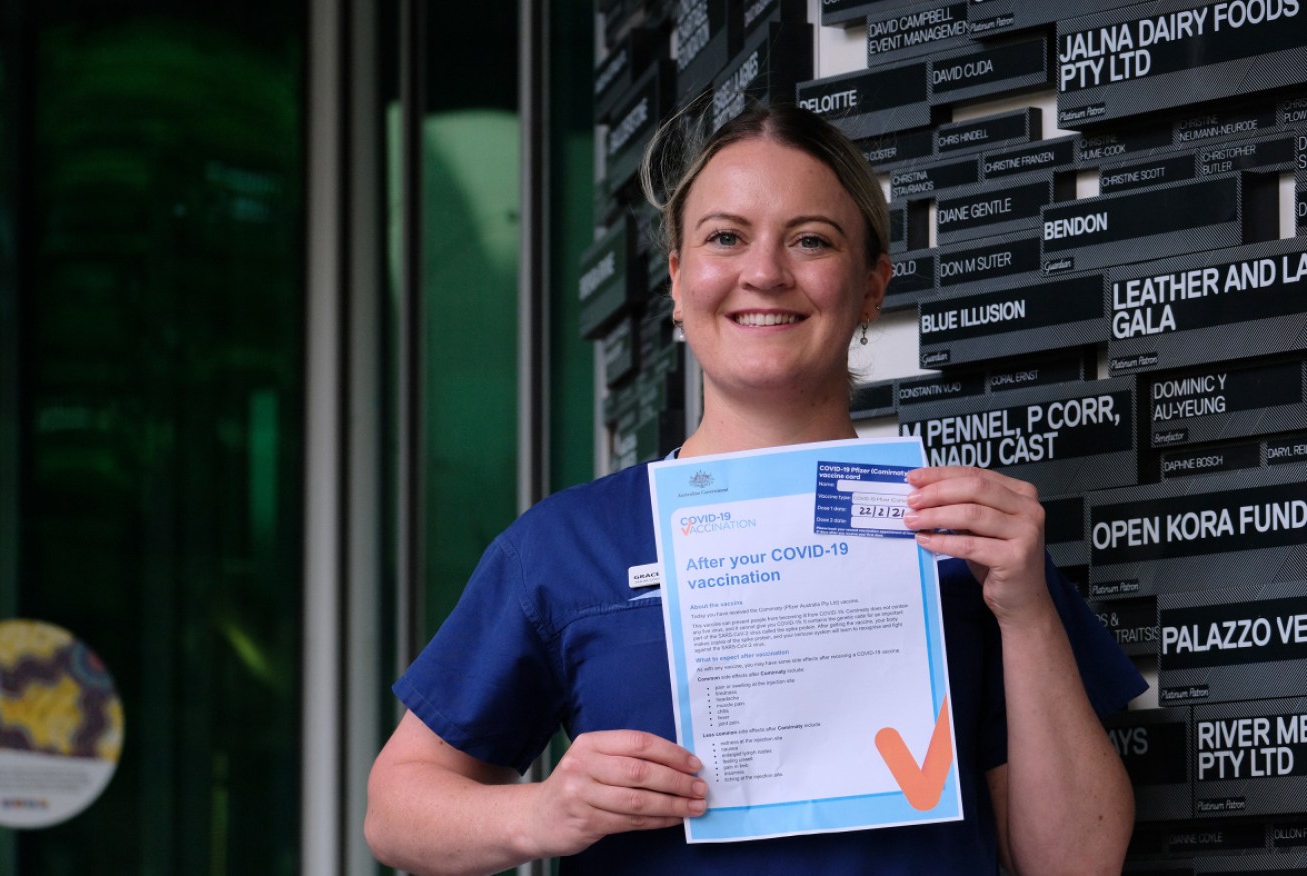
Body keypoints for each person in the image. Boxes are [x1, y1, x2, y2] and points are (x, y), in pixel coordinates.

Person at [365, 103, 1146, 875]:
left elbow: (1075, 862)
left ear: (871, 287)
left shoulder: (963, 535)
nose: (764, 273)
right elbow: (396, 813)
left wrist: (1027, 612)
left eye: (810, 240)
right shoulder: (566, 546)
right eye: (725, 238)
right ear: (676, 279)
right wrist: (539, 812)